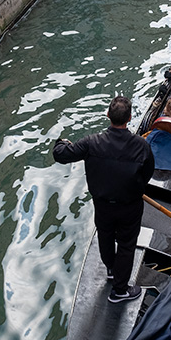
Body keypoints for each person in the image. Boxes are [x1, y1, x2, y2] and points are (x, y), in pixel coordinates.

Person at [53, 96, 155, 303]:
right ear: (129, 117)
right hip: (129, 206)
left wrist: (61, 142)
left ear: (108, 115)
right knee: (127, 244)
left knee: (105, 236)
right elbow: (147, 174)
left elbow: (60, 155)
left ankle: (111, 269)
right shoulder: (141, 146)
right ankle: (120, 290)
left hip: (103, 206)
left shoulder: (91, 143)